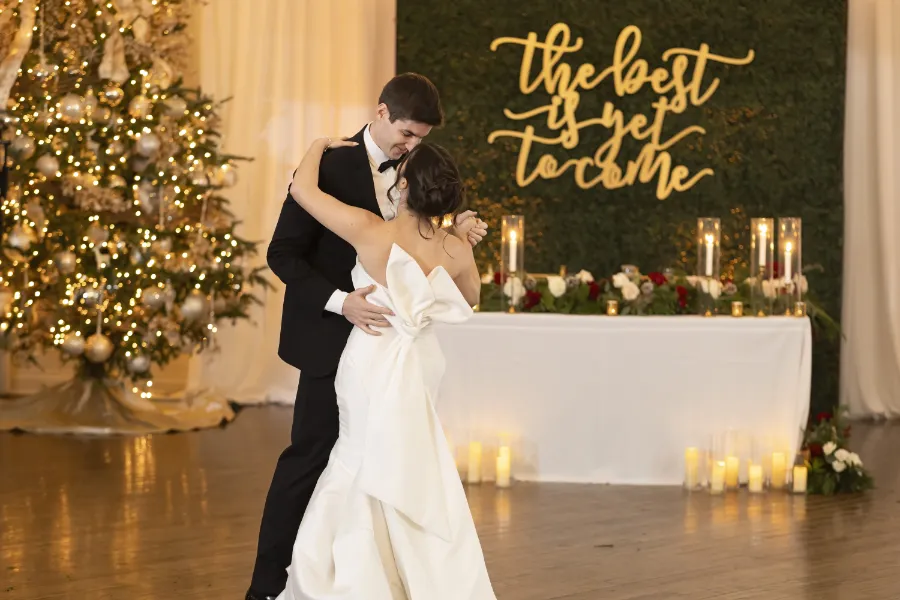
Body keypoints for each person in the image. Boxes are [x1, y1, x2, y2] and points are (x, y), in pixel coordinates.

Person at [248, 73, 488, 600]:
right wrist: (341, 302)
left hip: (390, 351)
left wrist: (453, 233)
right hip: (331, 337)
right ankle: (268, 586)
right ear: (381, 113)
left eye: (420, 139)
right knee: (311, 460)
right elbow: (282, 253)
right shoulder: (333, 166)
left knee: (387, 463)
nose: (411, 147)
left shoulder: (415, 176)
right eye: (406, 134)